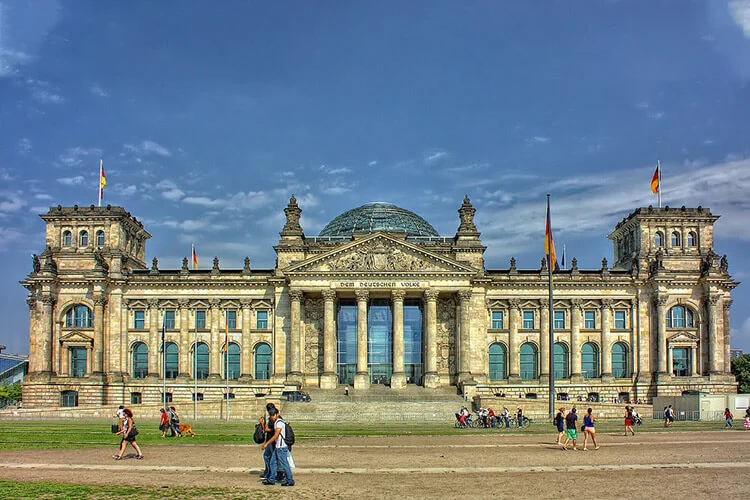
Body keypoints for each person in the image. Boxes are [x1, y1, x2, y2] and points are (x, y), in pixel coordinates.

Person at [261, 407, 294, 487]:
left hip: (281, 447)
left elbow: (276, 435)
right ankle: (271, 479)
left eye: (273, 415)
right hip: (278, 447)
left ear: (277, 414)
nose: (272, 417)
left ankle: (290, 480)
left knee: (284, 464)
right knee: (273, 462)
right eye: (271, 416)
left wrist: (266, 443)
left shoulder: (279, 423)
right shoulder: (277, 422)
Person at [259, 403, 280, 482]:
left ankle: (270, 473)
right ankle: (268, 472)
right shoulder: (272, 419)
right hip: (270, 440)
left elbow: (274, 430)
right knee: (268, 457)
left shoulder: (274, 419)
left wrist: (262, 424)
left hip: (271, 441)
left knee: (269, 457)